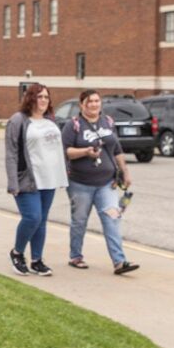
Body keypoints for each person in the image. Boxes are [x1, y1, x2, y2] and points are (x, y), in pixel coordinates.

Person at [61, 89, 140, 275]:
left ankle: (119, 262)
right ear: (82, 104)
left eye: (97, 101)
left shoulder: (108, 122)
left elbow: (117, 149)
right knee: (79, 221)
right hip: (80, 183)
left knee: (112, 219)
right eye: (90, 101)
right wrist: (85, 152)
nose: (95, 104)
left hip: (107, 183)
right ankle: (76, 256)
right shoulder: (73, 126)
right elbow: (65, 151)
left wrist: (125, 172)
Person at [4, 83, 69, 276]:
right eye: (39, 97)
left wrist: (64, 174)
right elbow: (11, 154)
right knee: (33, 217)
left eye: (46, 97)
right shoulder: (18, 120)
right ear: (30, 98)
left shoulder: (50, 120)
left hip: (49, 179)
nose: (43, 100)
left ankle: (37, 260)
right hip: (28, 179)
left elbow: (57, 150)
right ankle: (17, 253)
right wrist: (12, 182)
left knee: (41, 222)